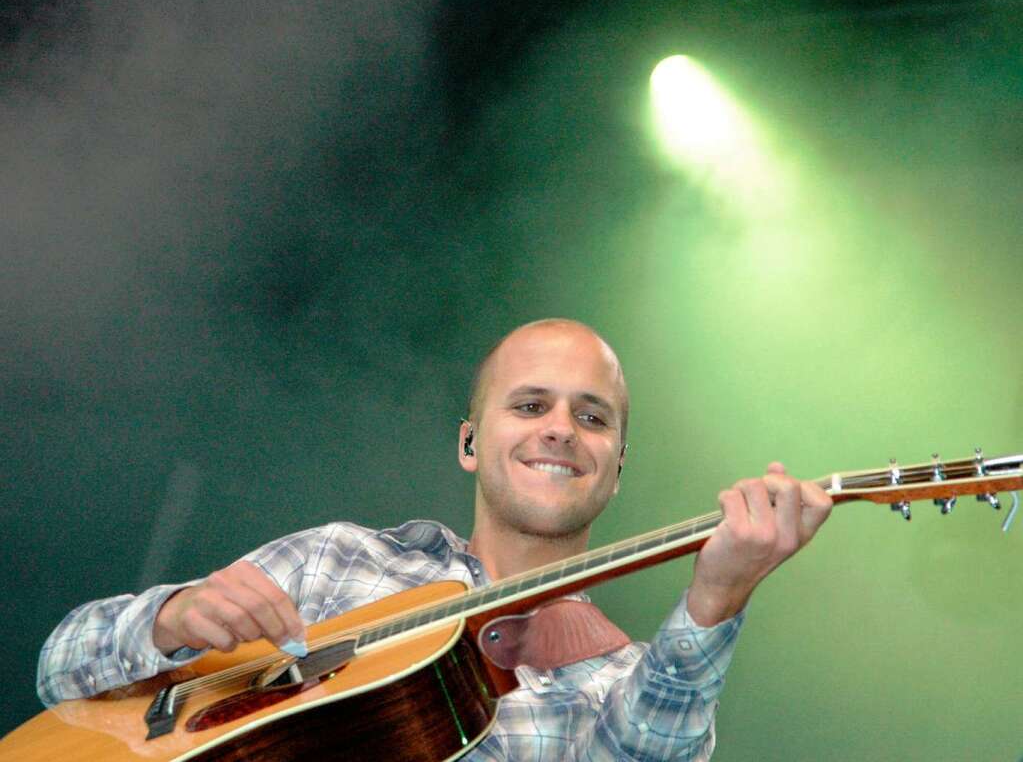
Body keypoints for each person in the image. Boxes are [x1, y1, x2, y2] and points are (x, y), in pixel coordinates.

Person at [36, 318, 833, 760]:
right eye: (529, 406)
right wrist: (170, 617)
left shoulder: (619, 680)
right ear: (469, 442)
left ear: (616, 466)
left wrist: (715, 599)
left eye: (592, 417)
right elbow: (60, 672)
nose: (560, 430)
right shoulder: (338, 558)